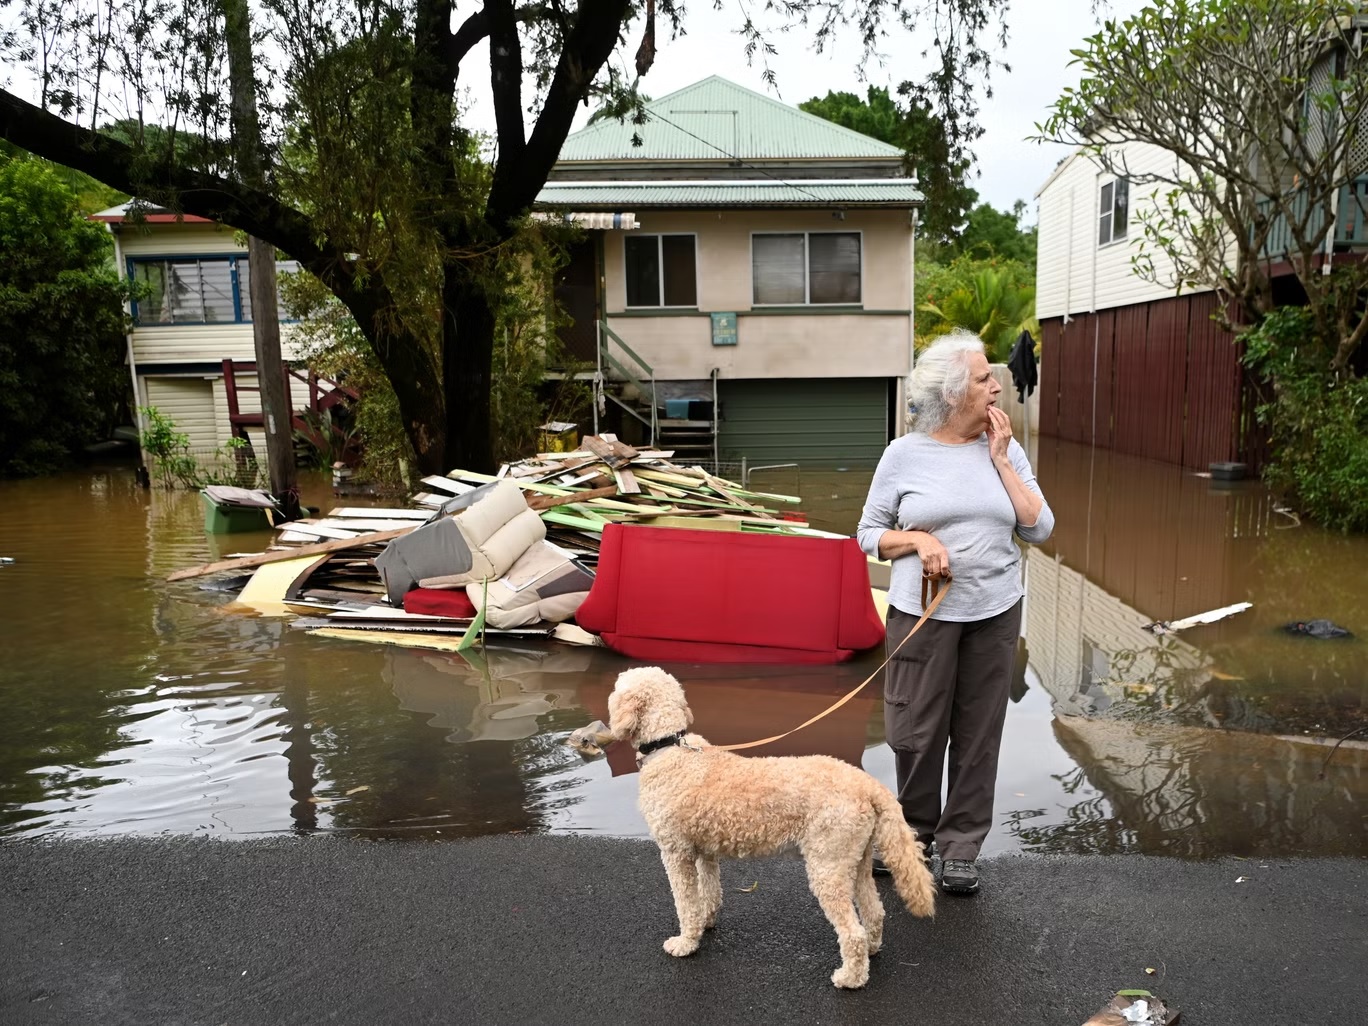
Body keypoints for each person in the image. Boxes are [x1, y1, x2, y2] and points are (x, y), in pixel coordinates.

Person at [857, 330, 1054, 895]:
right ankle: (911, 836)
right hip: (922, 615)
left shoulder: (1007, 449)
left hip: (994, 612)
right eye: (984, 378)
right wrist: (918, 541)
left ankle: (961, 846)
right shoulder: (904, 454)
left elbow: (1039, 528)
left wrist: (1002, 462)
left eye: (994, 377)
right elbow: (867, 536)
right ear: (953, 392)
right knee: (915, 731)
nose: (997, 387)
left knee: (978, 733)